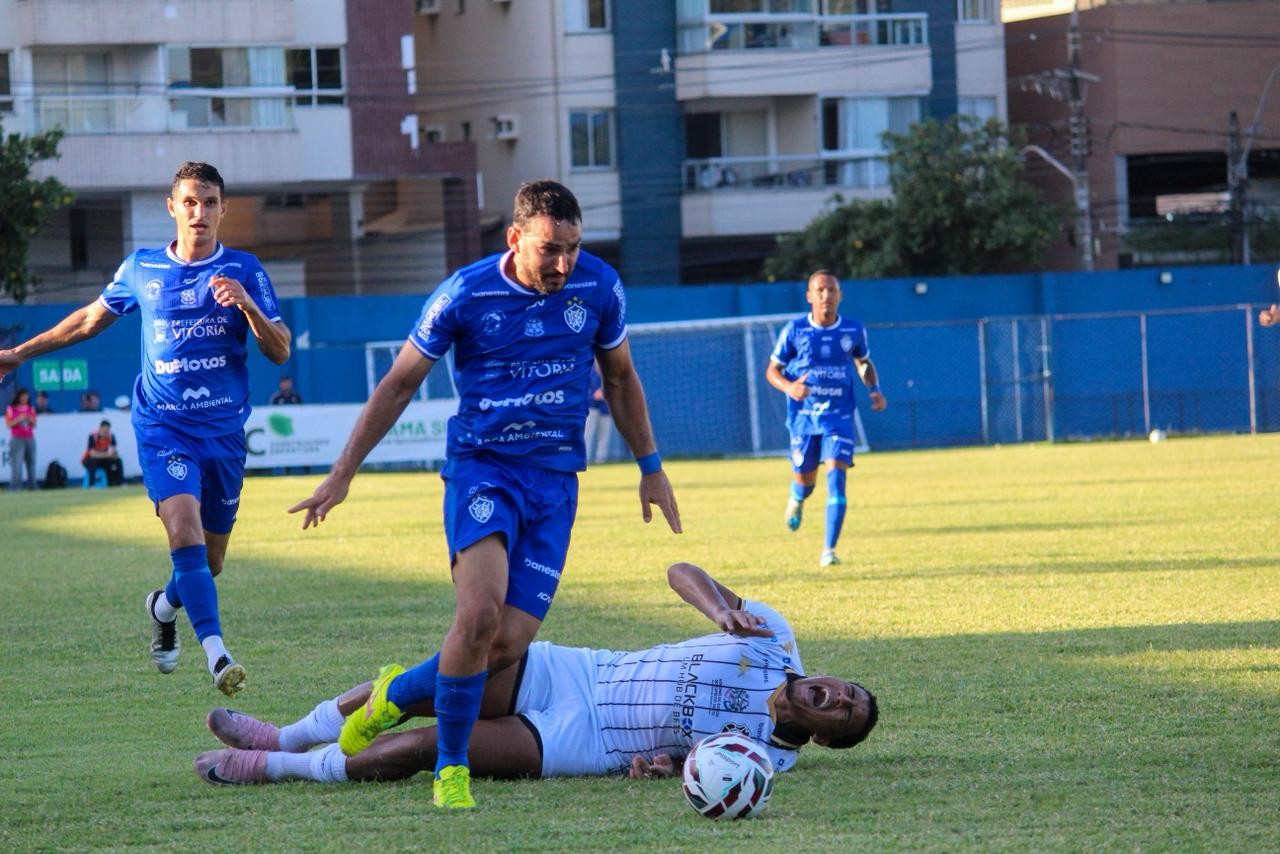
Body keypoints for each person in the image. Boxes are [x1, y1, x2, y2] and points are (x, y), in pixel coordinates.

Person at [288, 179, 681, 809]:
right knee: (477, 616)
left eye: (573, 248)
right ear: (514, 237)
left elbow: (621, 378)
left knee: (504, 646)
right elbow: (398, 385)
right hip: (484, 472)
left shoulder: (600, 286)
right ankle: (451, 768)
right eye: (550, 249)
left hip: (554, 484)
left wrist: (651, 466)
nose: (563, 264)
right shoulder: (465, 294)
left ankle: (393, 694)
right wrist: (342, 473)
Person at [0, 161, 291, 696]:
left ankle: (163, 606)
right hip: (163, 427)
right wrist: (19, 353)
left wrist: (248, 305)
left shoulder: (245, 270)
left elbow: (280, 350)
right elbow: (88, 320)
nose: (199, 212)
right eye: (190, 202)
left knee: (210, 561)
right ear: (172, 206)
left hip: (223, 435)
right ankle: (218, 655)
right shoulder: (142, 268)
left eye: (209, 202)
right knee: (184, 534)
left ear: (223, 209)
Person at [193, 562, 877, 786]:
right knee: (434, 680)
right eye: (849, 690)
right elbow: (680, 571)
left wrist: (664, 767)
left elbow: (700, 773)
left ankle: (273, 768)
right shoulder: (773, 638)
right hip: (577, 672)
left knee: (434, 745)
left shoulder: (765, 761)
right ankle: (286, 734)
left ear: (822, 736)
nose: (839, 696)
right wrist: (721, 611)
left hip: (589, 741)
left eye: (844, 713)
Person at [766, 270, 886, 568]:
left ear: (840, 295)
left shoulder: (853, 330)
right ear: (809, 296)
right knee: (806, 482)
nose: (826, 296)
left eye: (831, 290)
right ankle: (797, 497)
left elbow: (863, 362)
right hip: (804, 419)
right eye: (819, 290)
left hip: (839, 416)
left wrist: (874, 390)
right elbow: (772, 371)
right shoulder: (794, 331)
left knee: (837, 479)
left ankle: (828, 550)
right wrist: (789, 387)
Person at [5, 387, 38, 490]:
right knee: (17, 463)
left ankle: (32, 486)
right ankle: (15, 486)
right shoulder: (11, 409)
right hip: (17, 438)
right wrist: (19, 419)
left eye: (26, 396)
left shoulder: (30, 408)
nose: (25, 398)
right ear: (18, 397)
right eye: (23, 396)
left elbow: (35, 424)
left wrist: (28, 419)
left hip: (29, 438)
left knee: (31, 462)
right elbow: (8, 424)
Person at [581, 359, 614, 464]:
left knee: (604, 436)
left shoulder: (609, 372)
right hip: (591, 407)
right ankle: (585, 459)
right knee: (587, 434)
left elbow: (615, 387)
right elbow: (584, 388)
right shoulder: (589, 370)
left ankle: (601, 459)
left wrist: (605, 392)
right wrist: (594, 395)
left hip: (606, 408)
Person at [82, 419, 125, 488]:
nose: (106, 433)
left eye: (108, 431)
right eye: (105, 431)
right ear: (100, 429)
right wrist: (107, 455)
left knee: (118, 461)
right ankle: (91, 485)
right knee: (93, 462)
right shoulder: (92, 437)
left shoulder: (111, 437)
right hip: (88, 460)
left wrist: (109, 455)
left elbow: (113, 453)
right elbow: (92, 454)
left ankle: (121, 483)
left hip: (104, 460)